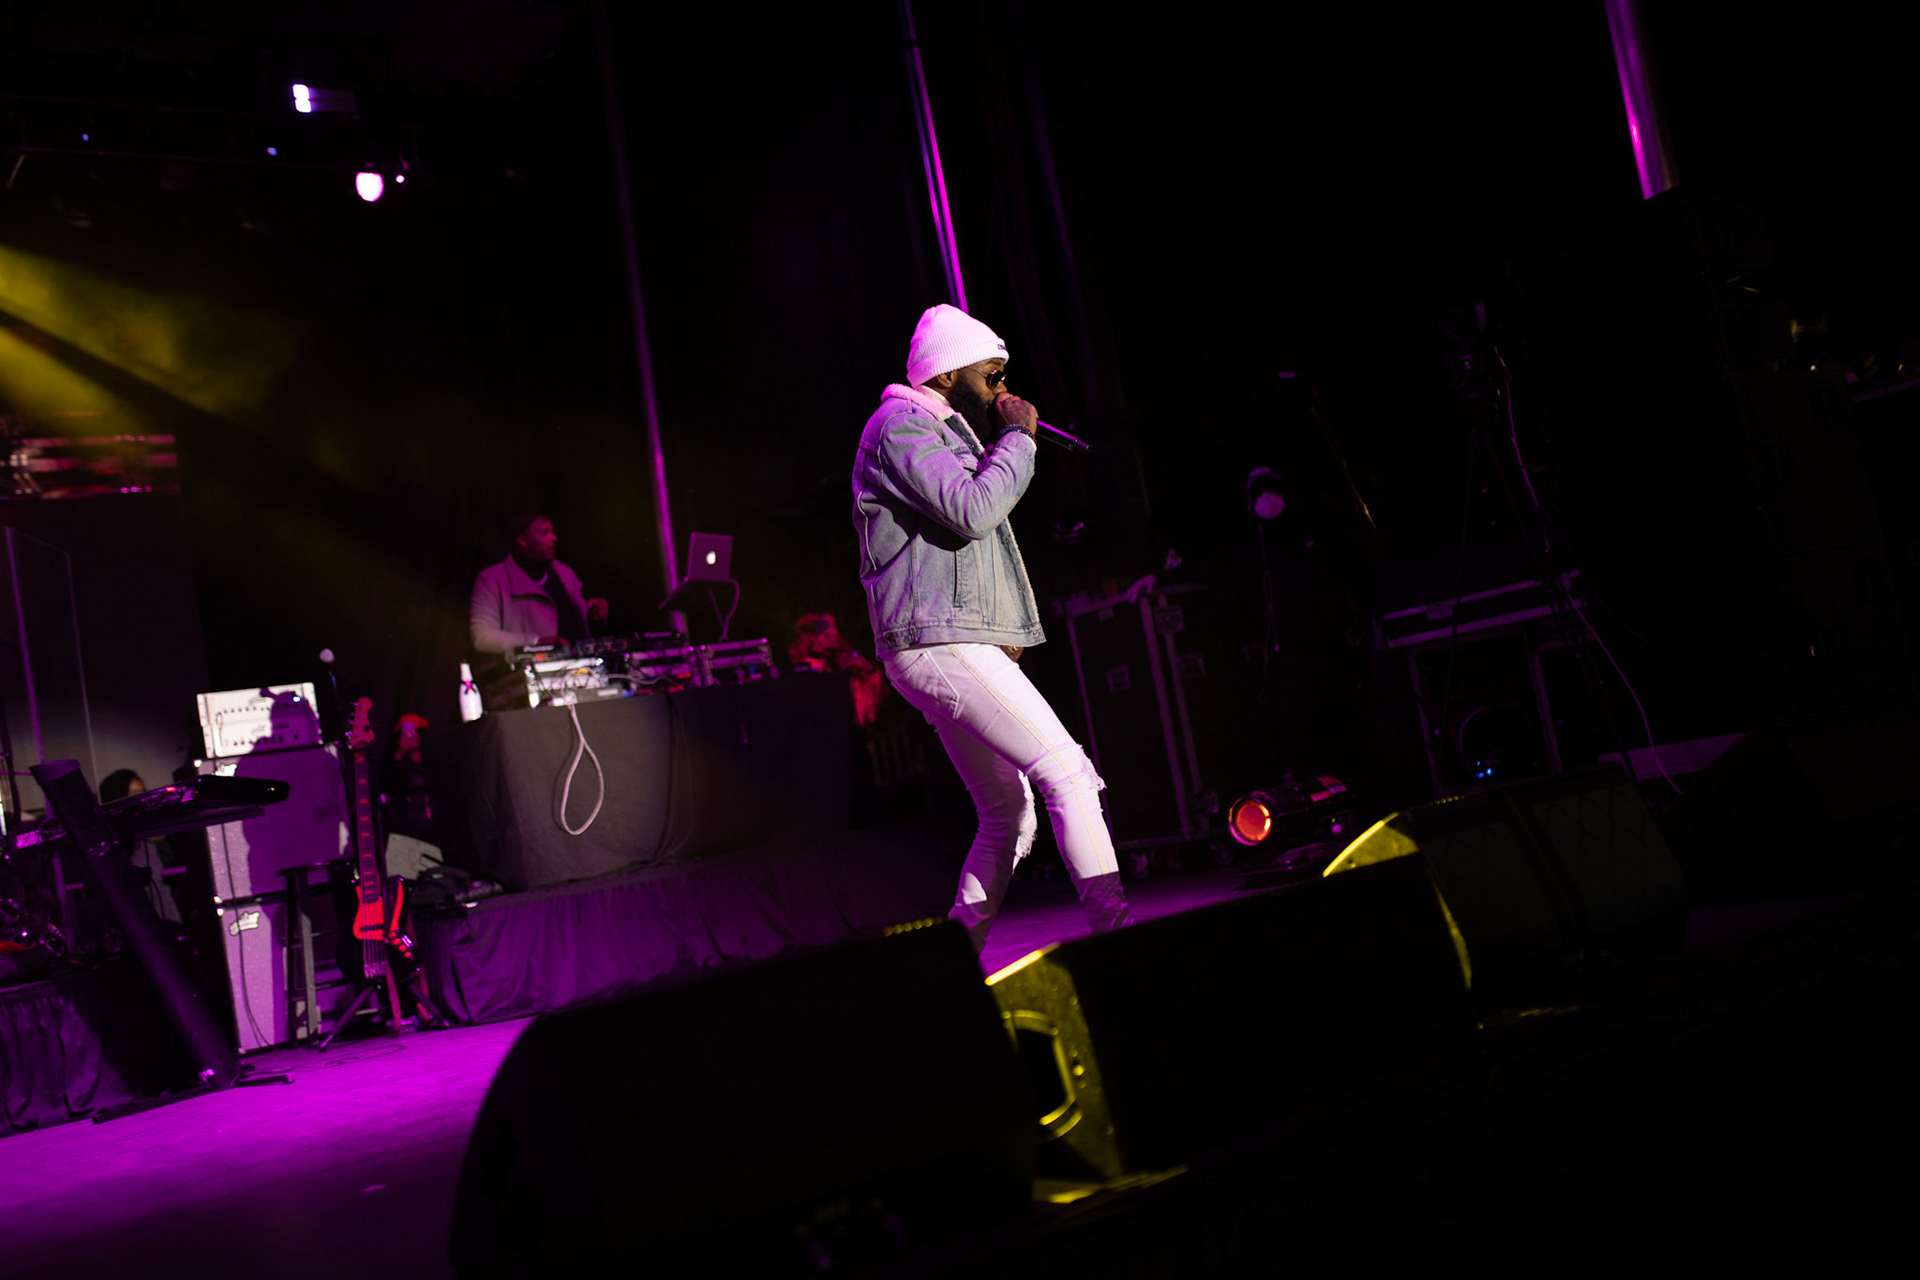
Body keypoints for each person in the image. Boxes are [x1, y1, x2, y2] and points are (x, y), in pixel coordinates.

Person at [852, 303, 1130, 950]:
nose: (1002, 387)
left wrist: (1000, 629)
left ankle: (954, 957)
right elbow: (974, 511)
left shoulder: (938, 429)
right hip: (937, 641)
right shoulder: (900, 425)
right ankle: (1117, 939)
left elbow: (967, 542)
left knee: (1009, 814)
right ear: (948, 373)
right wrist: (1020, 440)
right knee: (1067, 772)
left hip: (951, 641)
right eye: (992, 374)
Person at [469, 512, 610, 654]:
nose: (553, 538)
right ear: (522, 540)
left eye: (552, 532)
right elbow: (482, 636)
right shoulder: (492, 579)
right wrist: (535, 643)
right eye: (544, 532)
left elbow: (577, 627)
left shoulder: (564, 572)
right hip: (538, 665)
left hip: (583, 663)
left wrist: (594, 615)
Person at [789, 612, 887, 727]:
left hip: (856, 726)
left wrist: (870, 670)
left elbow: (877, 695)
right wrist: (817, 650)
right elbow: (809, 687)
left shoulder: (846, 657)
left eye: (833, 633)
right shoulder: (805, 663)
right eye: (826, 635)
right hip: (826, 727)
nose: (833, 637)